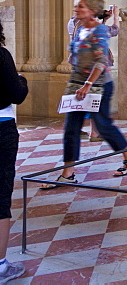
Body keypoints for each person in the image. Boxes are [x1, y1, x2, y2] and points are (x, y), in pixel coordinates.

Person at [43, 0, 127, 190]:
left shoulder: (100, 31)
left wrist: (87, 84)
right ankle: (68, 175)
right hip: (78, 85)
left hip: (99, 86)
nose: (76, 9)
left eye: (81, 6)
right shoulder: (80, 28)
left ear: (92, 10)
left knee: (103, 126)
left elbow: (101, 61)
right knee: (71, 128)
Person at [67, 2, 120, 142]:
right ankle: (96, 133)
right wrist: (116, 16)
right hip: (93, 70)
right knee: (95, 100)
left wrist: (104, 19)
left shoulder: (73, 23)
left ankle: (79, 129)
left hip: (79, 67)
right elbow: (114, 30)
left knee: (84, 100)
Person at [0, 21, 28, 283]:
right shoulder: (0, 55)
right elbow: (16, 94)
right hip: (0, 128)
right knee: (0, 196)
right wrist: (22, 79)